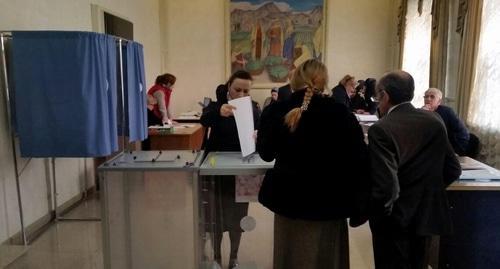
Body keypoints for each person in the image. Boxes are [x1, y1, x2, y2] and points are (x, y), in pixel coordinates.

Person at [257, 59, 369, 269]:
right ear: (324, 81)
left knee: (289, 256)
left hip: (289, 200)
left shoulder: (275, 110)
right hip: (329, 202)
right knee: (326, 259)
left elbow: (265, 154)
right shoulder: (340, 113)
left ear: (294, 79)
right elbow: (359, 160)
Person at [368, 71, 461, 269]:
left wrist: (378, 215)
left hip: (394, 218)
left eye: (377, 96)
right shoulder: (434, 120)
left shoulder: (382, 128)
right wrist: (427, 193)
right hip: (426, 215)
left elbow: (386, 186)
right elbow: (453, 169)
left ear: (384, 95)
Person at [200, 70, 261, 269]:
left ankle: (234, 258)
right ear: (229, 87)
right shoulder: (218, 105)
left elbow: (260, 130)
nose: (242, 95)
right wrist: (218, 112)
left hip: (243, 169)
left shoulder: (253, 107)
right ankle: (216, 257)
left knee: (239, 217)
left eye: (246, 91)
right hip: (217, 170)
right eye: (237, 90)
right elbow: (204, 119)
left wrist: (259, 134)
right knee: (215, 216)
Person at [422, 88, 470, 155]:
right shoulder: (420, 112)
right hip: (428, 149)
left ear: (439, 102)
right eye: (426, 97)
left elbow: (463, 133)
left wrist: (456, 152)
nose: (428, 99)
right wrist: (422, 114)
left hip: (446, 149)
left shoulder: (447, 112)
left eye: (432, 97)